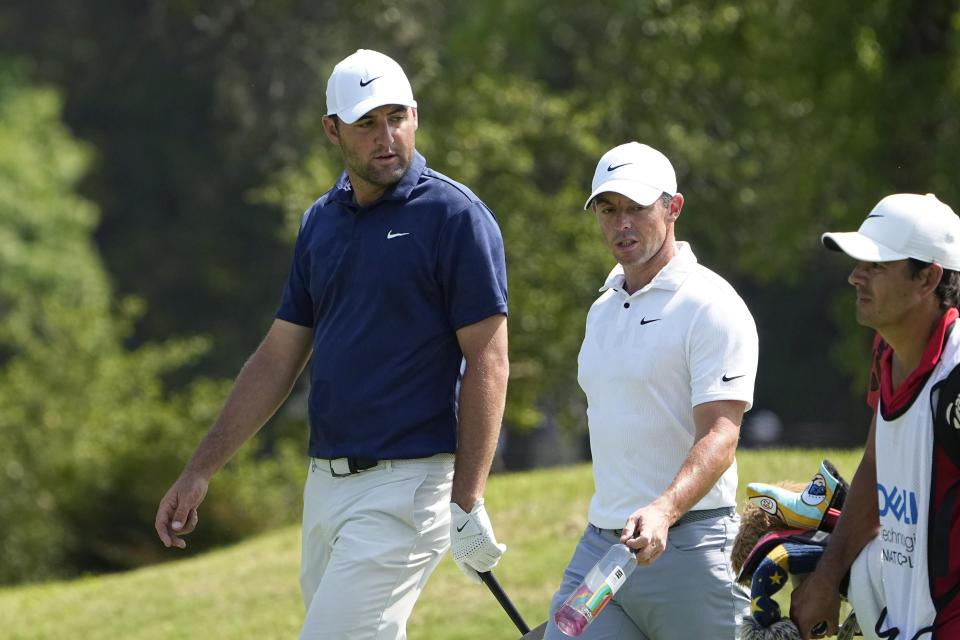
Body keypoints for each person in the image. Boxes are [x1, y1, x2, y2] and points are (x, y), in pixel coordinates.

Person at [154, 48, 510, 640]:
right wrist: (200, 469)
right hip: (325, 485)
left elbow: (489, 361)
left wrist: (468, 497)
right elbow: (277, 356)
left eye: (397, 117)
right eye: (367, 123)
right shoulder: (320, 221)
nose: (386, 136)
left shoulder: (454, 217)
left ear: (416, 117)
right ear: (332, 130)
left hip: (409, 485)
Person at [543, 142, 757, 639]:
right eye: (608, 209)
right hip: (603, 549)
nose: (622, 223)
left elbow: (721, 437)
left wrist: (664, 508)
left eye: (637, 208)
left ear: (672, 207)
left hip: (691, 547)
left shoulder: (711, 305)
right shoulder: (602, 309)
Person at [790, 193, 960, 640]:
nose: (854, 277)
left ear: (928, 279)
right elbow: (876, 460)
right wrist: (828, 575)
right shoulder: (888, 349)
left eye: (877, 266)